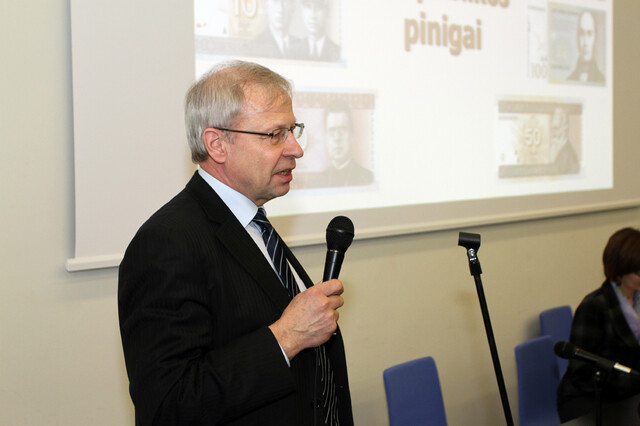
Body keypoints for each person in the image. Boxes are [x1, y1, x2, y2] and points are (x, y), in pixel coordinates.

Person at [118, 60, 353, 425]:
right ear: (217, 144)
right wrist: (286, 337)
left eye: (293, 130)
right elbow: (167, 407)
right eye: (274, 135)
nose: (296, 149)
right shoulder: (167, 242)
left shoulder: (254, 223)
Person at [557, 227, 640, 422]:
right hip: (591, 399)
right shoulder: (594, 305)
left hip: (628, 394)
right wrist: (634, 380)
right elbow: (582, 372)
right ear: (620, 271)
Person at [307, 100, 373, 188]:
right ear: (326, 137)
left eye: (342, 130)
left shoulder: (368, 179)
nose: (337, 138)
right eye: (332, 130)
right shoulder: (315, 184)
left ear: (351, 135)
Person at [567, 10, 605, 83]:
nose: (585, 42)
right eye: (582, 33)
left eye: (589, 34)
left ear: (595, 38)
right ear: (577, 38)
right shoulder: (569, 80)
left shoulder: (602, 80)